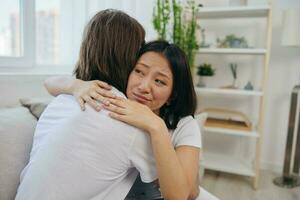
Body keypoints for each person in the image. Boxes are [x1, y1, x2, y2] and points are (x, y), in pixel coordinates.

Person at [44, 40, 202, 200]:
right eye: (139, 71)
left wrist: (157, 126)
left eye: (159, 81)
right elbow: (50, 83)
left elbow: (182, 196)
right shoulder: (113, 100)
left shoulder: (184, 125)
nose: (144, 87)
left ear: (172, 95)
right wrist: (76, 85)